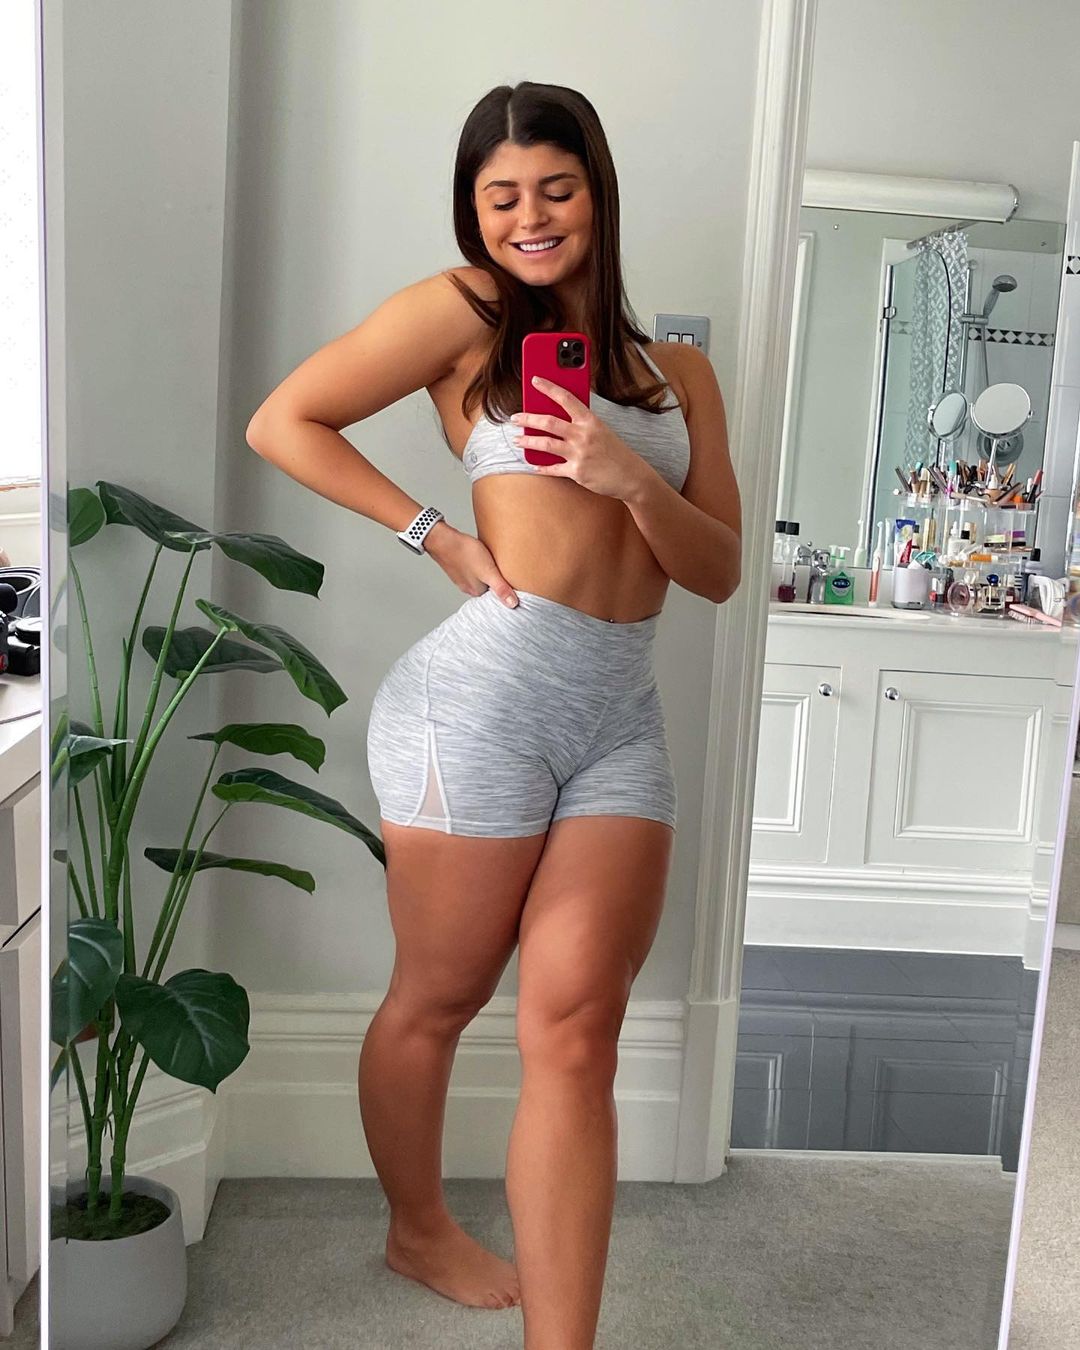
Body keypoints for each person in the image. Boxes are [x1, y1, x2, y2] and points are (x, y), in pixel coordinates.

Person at [246, 79, 741, 1350]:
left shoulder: (681, 373)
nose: (531, 217)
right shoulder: (465, 314)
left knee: (576, 1032)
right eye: (501, 196)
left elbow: (720, 569)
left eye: (555, 188)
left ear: (597, 191)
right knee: (440, 995)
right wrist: (437, 535)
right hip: (479, 709)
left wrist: (629, 478)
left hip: (618, 723)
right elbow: (283, 420)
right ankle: (417, 1227)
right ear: (475, 212)